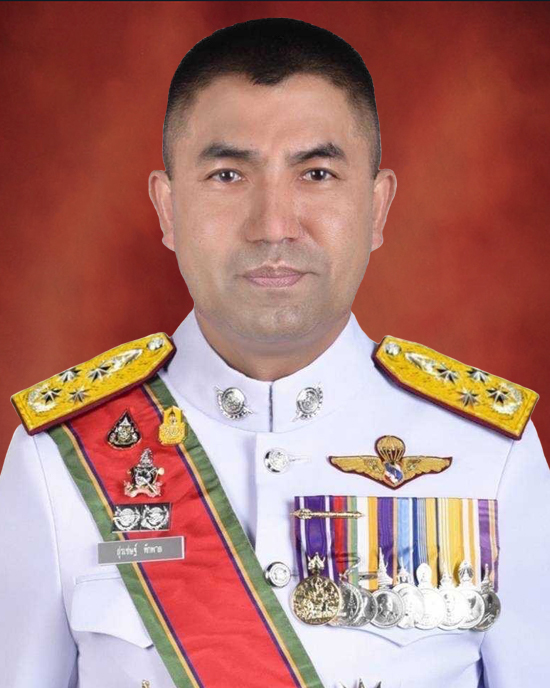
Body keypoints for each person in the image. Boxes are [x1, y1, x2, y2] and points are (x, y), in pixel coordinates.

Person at [1, 16, 548, 688]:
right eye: (228, 174)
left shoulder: (490, 455)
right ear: (167, 209)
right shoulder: (57, 461)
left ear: (377, 208)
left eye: (316, 172)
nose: (273, 226)